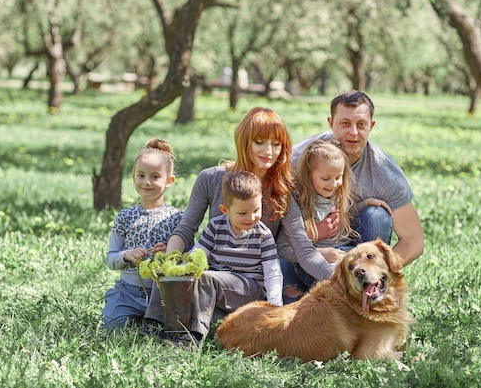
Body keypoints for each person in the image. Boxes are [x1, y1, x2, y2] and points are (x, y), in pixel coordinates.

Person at [292, 90, 424, 267]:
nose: (353, 132)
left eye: (361, 124)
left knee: (376, 215)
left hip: (352, 255)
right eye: (345, 123)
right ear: (331, 123)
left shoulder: (384, 172)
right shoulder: (298, 160)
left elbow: (413, 241)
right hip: (297, 252)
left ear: (372, 125)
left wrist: (378, 271)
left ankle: (361, 288)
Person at [162, 170, 283, 349]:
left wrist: (274, 306)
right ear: (225, 210)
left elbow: (273, 272)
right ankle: (158, 324)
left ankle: (192, 338)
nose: (251, 218)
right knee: (174, 278)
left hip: (249, 289)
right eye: (243, 213)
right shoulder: (216, 226)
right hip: (219, 292)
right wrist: (180, 273)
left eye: (256, 210)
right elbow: (198, 254)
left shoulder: (262, 234)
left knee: (207, 277)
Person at [280, 138, 390, 299]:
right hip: (313, 264)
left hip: (345, 254)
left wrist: (365, 204)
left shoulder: (337, 197)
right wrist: (321, 253)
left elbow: (346, 216)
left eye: (338, 177)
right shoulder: (300, 205)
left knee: (360, 278)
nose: (333, 184)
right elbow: (283, 249)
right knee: (329, 290)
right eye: (325, 178)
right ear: (308, 175)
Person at [100, 138, 184, 330]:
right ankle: (130, 315)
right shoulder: (125, 216)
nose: (147, 182)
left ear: (169, 181)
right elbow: (111, 258)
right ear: (133, 177)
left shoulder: (178, 218)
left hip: (163, 292)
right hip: (127, 291)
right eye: (141, 175)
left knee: (171, 329)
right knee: (110, 327)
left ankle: (149, 321)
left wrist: (171, 253)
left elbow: (189, 258)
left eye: (155, 177)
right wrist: (126, 255)